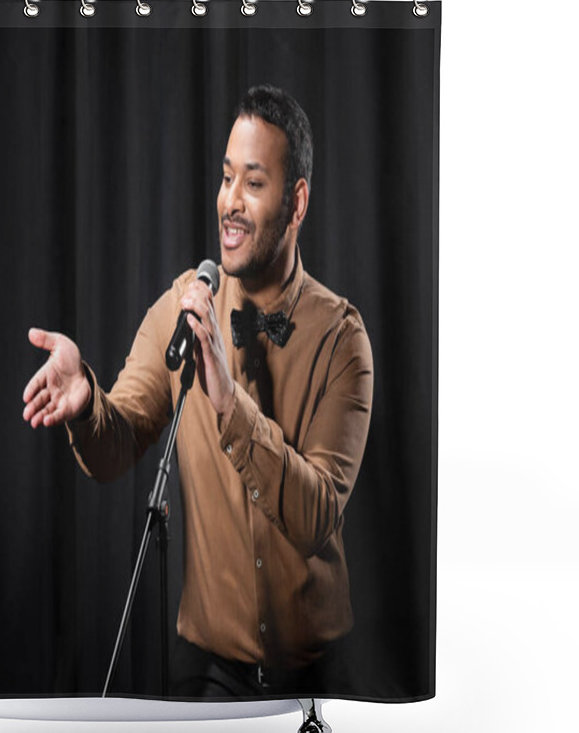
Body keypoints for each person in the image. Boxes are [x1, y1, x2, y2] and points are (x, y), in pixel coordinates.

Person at [22, 85, 374, 698]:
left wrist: (227, 400)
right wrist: (86, 405)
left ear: (297, 202)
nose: (230, 204)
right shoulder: (180, 311)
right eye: (226, 177)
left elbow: (318, 516)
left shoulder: (343, 340)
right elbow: (119, 440)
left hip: (319, 673)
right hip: (206, 669)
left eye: (254, 184)